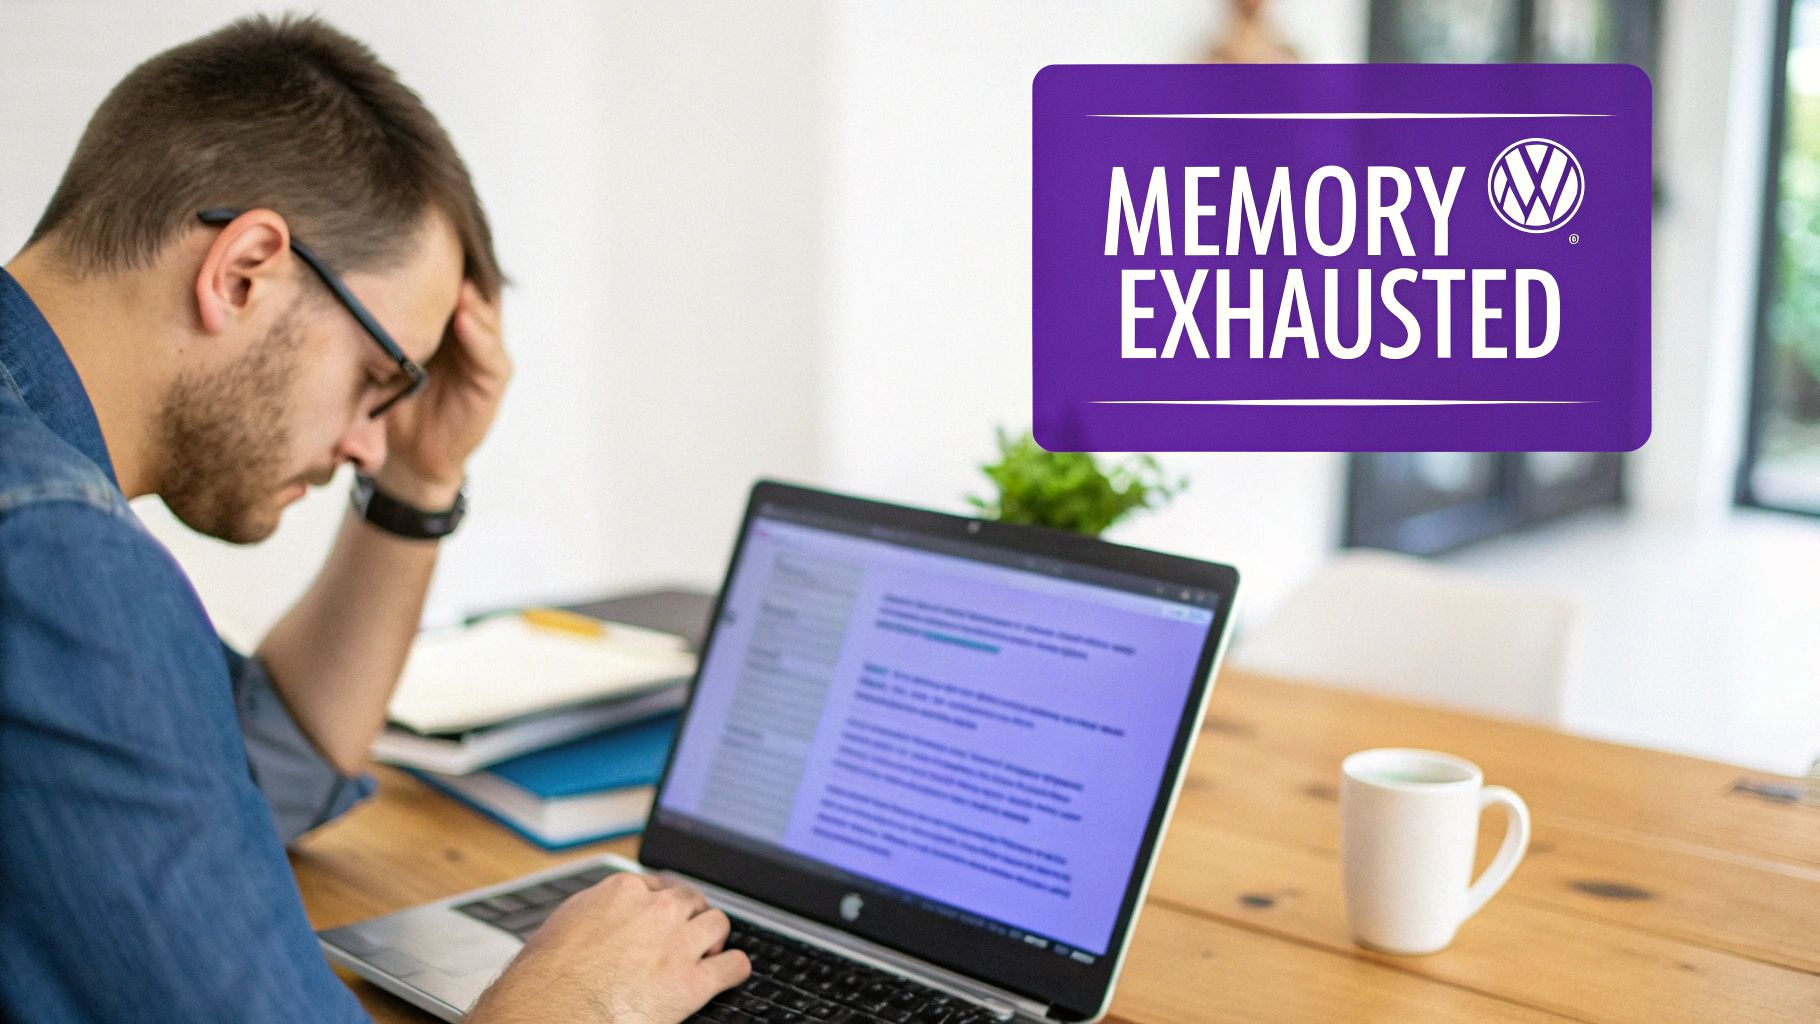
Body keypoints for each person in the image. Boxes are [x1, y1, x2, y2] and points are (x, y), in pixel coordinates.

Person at [0, 15, 748, 1023]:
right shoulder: (56, 552)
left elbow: (270, 769)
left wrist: (420, 476)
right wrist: (578, 995)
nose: (366, 442)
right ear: (243, 272)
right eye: (378, 377)